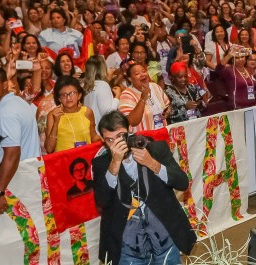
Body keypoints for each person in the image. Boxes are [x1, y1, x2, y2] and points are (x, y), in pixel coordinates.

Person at [92, 110, 196, 264]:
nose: (117, 143)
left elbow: (182, 183)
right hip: (127, 246)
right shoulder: (101, 164)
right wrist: (114, 165)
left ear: (130, 132)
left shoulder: (155, 149)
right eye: (110, 140)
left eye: (121, 136)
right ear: (104, 142)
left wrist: (153, 164)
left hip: (163, 237)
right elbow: (102, 201)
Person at [0, 66, 40, 216]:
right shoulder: (17, 101)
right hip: (28, 173)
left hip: (19, 178)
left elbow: (12, 154)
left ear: (4, 85)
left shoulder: (5, 112)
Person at [44, 76, 100, 153]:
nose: (68, 98)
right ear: (59, 98)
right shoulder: (53, 115)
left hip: (85, 159)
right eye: (64, 95)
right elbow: (49, 149)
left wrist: (106, 139)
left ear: (79, 95)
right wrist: (56, 123)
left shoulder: (87, 112)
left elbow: (93, 137)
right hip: (64, 161)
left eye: (72, 93)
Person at [118, 63, 171, 132]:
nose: (142, 75)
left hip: (162, 133)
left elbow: (168, 105)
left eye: (143, 71)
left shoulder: (155, 87)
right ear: (130, 79)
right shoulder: (127, 95)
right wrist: (142, 99)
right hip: (143, 139)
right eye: (137, 74)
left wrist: (168, 111)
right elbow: (131, 122)